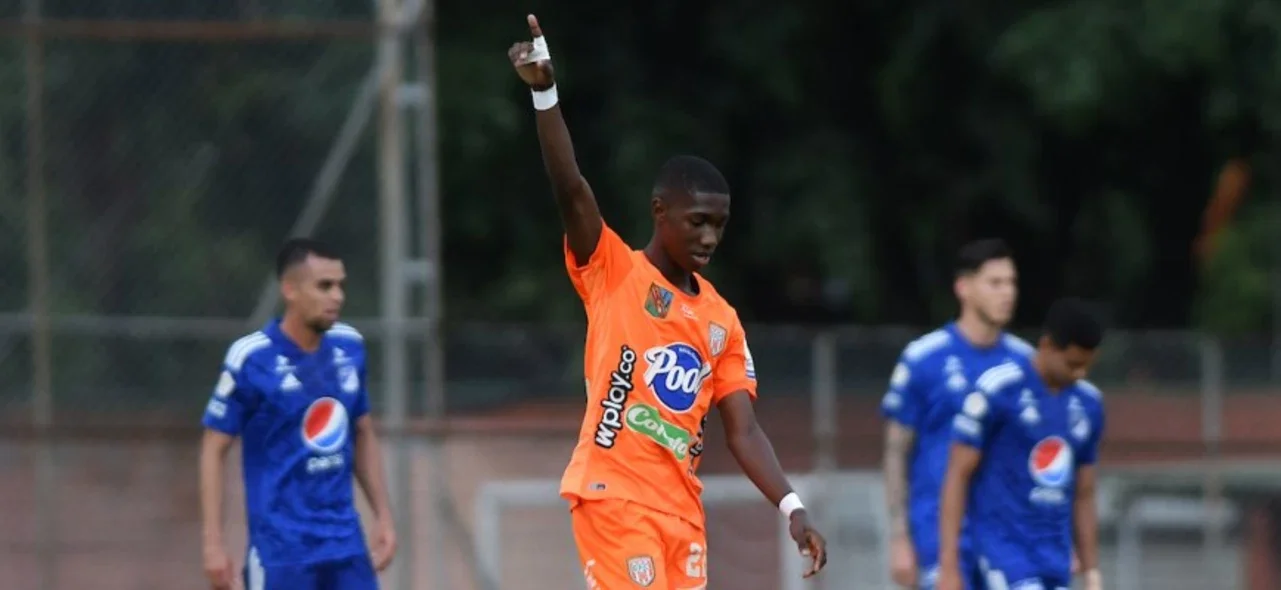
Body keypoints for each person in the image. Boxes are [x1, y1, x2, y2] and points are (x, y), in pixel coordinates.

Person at [507, 14, 828, 588]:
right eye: (697, 221)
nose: (709, 237)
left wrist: (791, 507)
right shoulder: (614, 271)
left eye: (719, 225)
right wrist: (545, 93)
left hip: (682, 515)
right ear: (661, 213)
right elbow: (571, 189)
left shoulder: (722, 323)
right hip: (614, 497)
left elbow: (745, 432)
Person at [198, 239, 397, 590]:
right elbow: (213, 449)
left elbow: (362, 430)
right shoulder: (251, 357)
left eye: (340, 285)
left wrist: (383, 514)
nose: (337, 296)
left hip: (346, 547)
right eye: (325, 286)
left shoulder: (350, 347)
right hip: (281, 553)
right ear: (290, 289)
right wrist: (213, 543)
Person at [879, 239, 1031, 589]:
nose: (1007, 293)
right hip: (938, 536)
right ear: (963, 287)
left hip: (1008, 538)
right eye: (995, 283)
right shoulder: (923, 358)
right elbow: (895, 451)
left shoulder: (1026, 365)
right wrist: (900, 537)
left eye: (1012, 283)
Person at [938, 297, 1106, 590]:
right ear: (1047, 346)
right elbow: (957, 474)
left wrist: (1091, 570)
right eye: (1072, 364)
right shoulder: (998, 389)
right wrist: (949, 565)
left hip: (1055, 557)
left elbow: (1085, 493)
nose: (1079, 373)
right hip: (1002, 550)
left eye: (1086, 366)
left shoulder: (1088, 403)